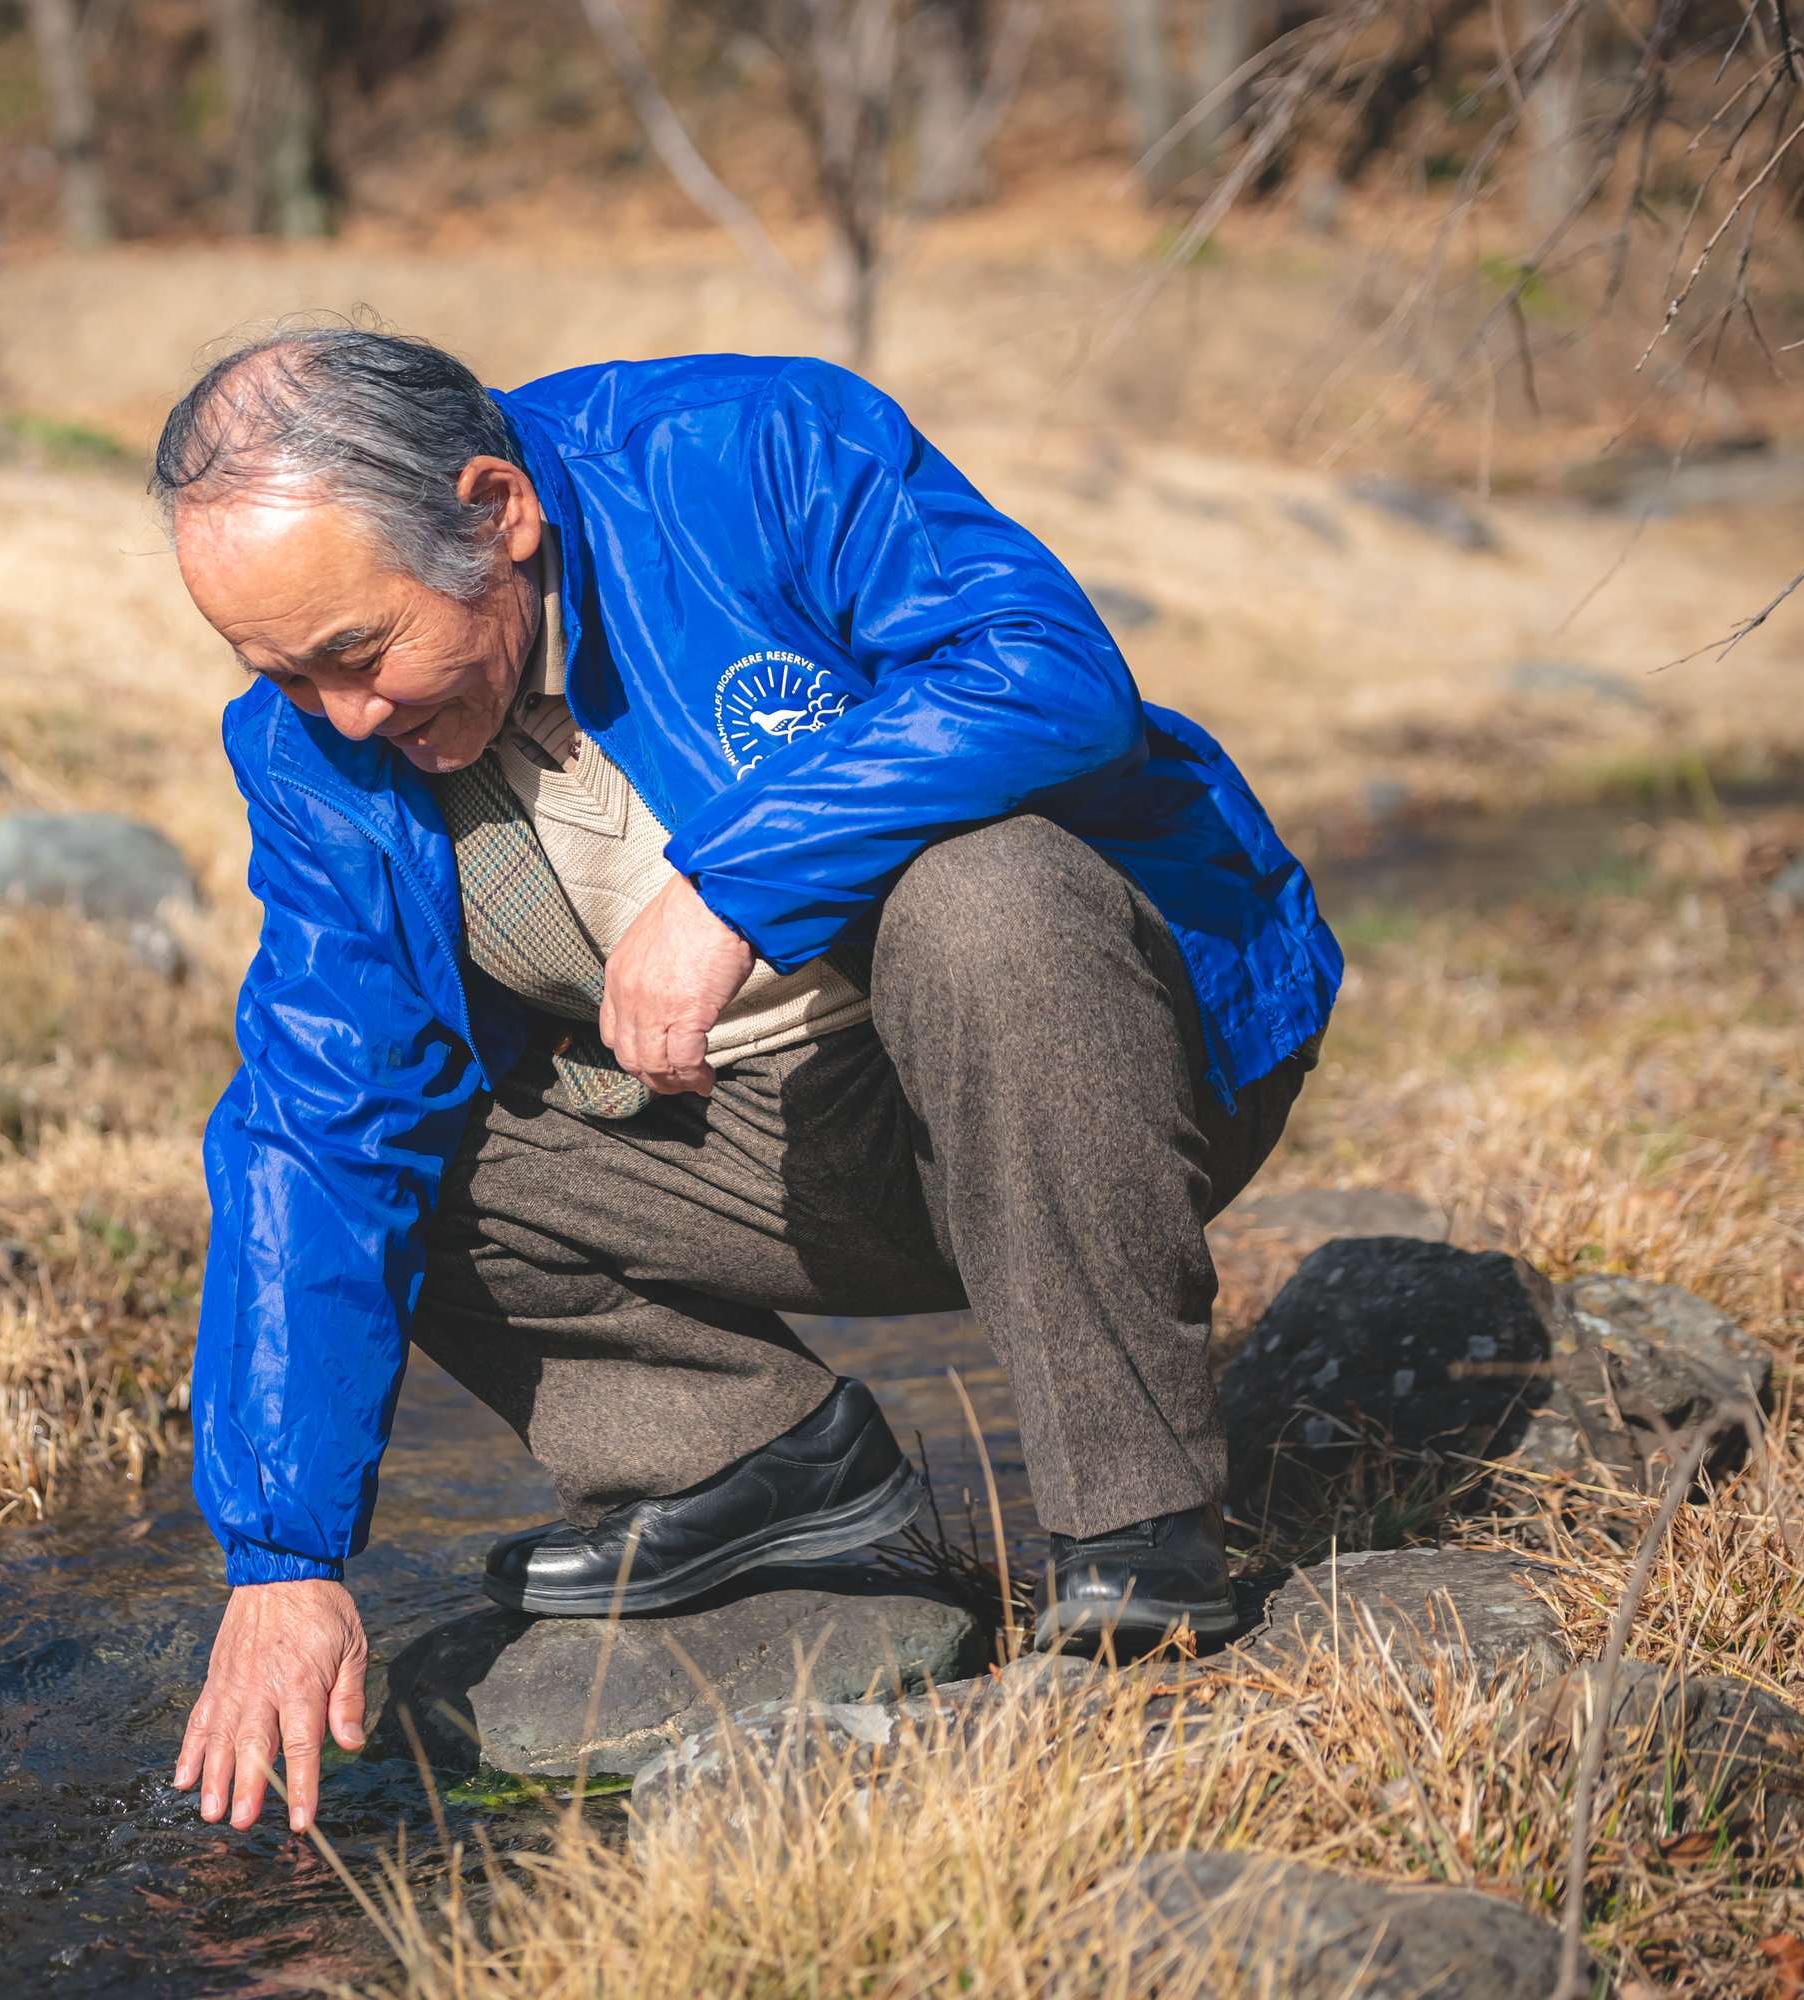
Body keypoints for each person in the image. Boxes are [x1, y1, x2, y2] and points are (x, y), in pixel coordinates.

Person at [155, 327, 1342, 1836]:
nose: (345, 718)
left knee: (989, 891)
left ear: (497, 511)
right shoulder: (313, 748)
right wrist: (283, 1558)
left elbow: (1045, 673)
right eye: (282, 673)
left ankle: (1136, 1539)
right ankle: (766, 1466)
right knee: (386, 1156)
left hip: (1101, 1060)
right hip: (772, 1144)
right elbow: (317, 1121)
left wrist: (736, 886)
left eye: (359, 652)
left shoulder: (752, 451)